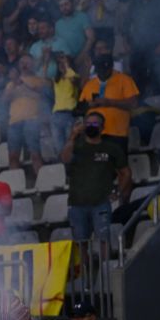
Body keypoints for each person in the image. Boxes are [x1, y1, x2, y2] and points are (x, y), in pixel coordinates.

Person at [61, 112, 131, 268]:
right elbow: (65, 158)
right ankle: (86, 277)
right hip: (77, 203)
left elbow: (126, 172)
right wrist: (73, 135)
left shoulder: (111, 148)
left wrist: (118, 191)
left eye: (95, 124)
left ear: (102, 127)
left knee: (103, 239)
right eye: (88, 123)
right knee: (81, 242)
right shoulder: (77, 145)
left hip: (101, 203)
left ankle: (104, 275)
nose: (91, 127)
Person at [78, 53, 139, 155]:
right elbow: (79, 108)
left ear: (111, 67)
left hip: (117, 134)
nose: (101, 73)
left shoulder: (124, 79)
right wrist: (89, 105)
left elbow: (133, 104)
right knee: (101, 167)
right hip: (95, 135)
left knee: (118, 166)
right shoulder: (89, 84)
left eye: (104, 69)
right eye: (99, 70)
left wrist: (110, 102)